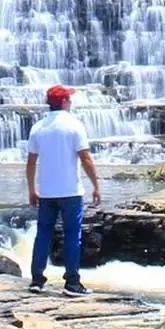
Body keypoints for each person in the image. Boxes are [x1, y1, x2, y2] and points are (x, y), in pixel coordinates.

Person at [26, 84, 102, 296]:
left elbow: (31, 162)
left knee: (43, 235)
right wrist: (96, 185)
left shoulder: (38, 127)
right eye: (69, 98)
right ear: (64, 102)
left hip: (47, 192)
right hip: (71, 191)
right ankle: (72, 282)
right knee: (72, 235)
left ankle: (36, 280)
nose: (71, 101)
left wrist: (31, 190)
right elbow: (85, 158)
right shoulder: (74, 125)